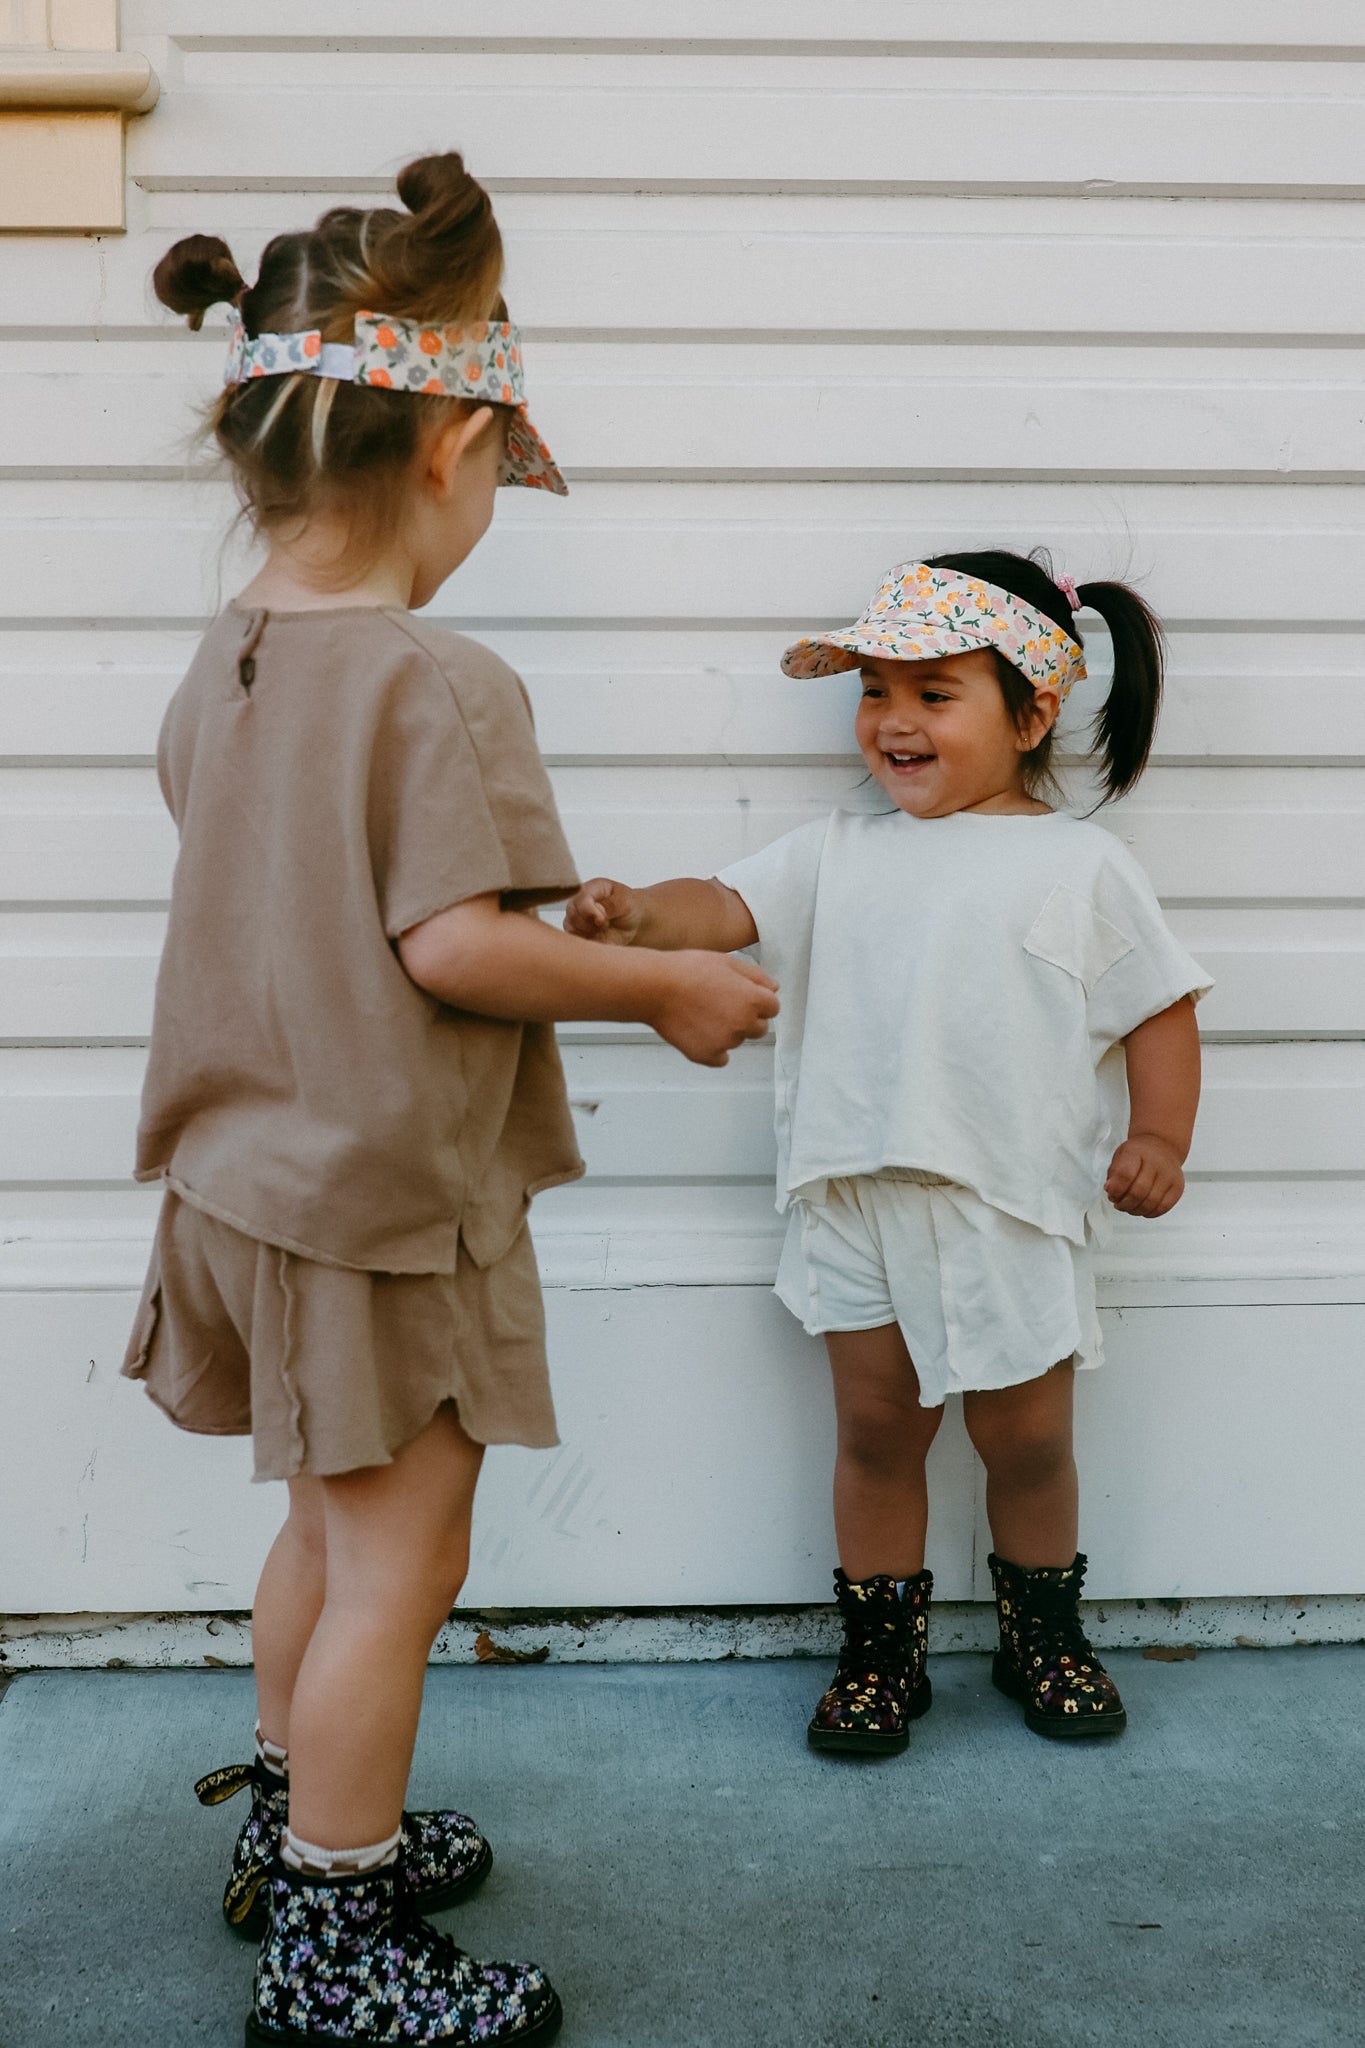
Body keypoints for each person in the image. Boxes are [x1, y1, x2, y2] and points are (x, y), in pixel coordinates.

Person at [124, 153, 778, 2047]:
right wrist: (664, 981)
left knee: (323, 1539)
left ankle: (293, 1824)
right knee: (403, 1563)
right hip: (387, 1196)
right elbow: (446, 951)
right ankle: (337, 1938)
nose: (492, 502)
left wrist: (516, 918)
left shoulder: (226, 654)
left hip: (247, 1170)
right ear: (441, 454)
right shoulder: (438, 676)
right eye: (498, 465)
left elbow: (306, 891)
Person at [565, 551, 1210, 1756]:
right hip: (855, 1192)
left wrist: (1160, 1136)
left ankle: (1044, 1633)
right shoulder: (834, 852)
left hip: (1012, 1205)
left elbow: (1160, 1008)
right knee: (875, 1434)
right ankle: (880, 1654)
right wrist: (638, 915)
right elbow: (721, 902)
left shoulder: (1080, 867)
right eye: (876, 690)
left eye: (933, 692)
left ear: (1031, 714)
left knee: (1027, 1439)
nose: (893, 721)